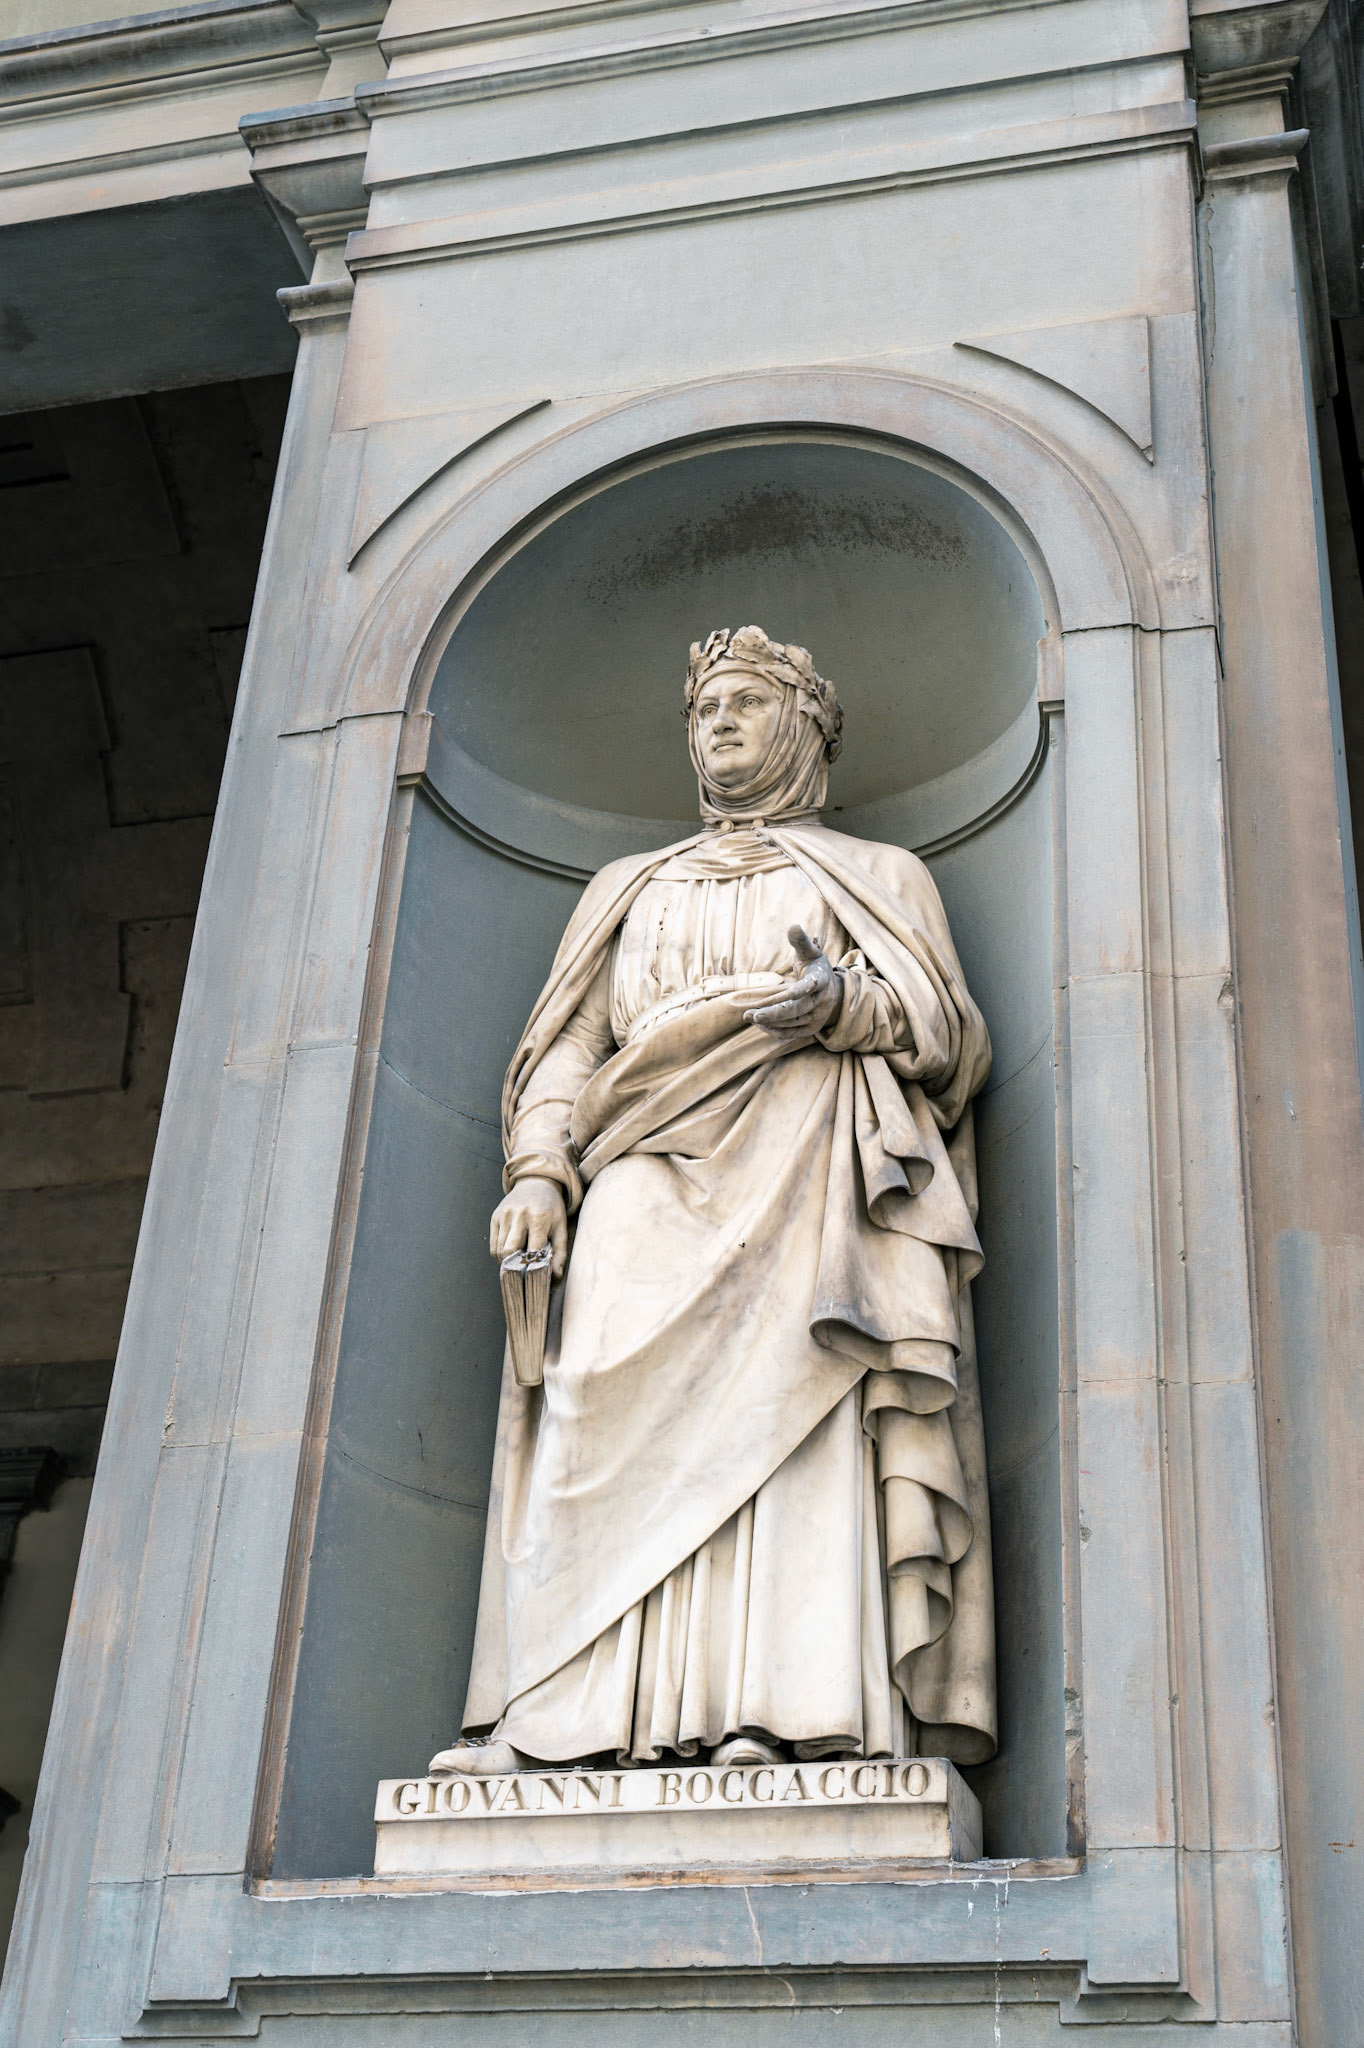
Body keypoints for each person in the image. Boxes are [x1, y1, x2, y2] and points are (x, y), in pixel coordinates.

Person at [431, 626, 996, 1777]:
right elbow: (565, 1049)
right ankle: (560, 1718)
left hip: (804, 1154)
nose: (718, 724)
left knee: (800, 1409)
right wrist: (538, 1170)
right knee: (589, 1397)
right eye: (703, 711)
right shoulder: (623, 887)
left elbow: (946, 1038)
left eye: (743, 702)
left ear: (801, 724)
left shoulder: (879, 875)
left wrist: (844, 1004)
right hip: (637, 1159)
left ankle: (780, 1708)